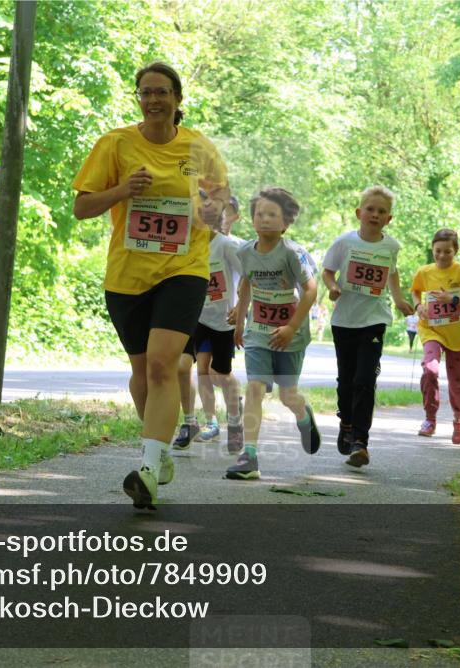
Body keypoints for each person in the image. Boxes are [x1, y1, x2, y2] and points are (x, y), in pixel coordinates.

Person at [72, 62, 228, 509]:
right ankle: (158, 455)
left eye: (162, 92)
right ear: (138, 98)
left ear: (178, 99)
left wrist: (208, 213)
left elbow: (221, 207)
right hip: (127, 276)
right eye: (145, 92)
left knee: (164, 365)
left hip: (184, 270)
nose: (154, 99)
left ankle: (148, 468)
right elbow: (82, 208)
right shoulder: (116, 143)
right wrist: (123, 190)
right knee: (142, 372)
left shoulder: (200, 147)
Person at [228, 187, 320, 480]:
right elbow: (247, 285)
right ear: (252, 218)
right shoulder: (244, 250)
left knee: (287, 395)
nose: (265, 219)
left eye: (272, 215)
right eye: (260, 214)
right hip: (258, 332)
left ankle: (304, 417)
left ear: (286, 222)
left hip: (290, 335)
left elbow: (310, 289)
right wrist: (240, 320)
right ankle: (249, 456)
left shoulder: (293, 253)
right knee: (255, 387)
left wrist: (292, 326)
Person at [322, 185, 414, 467]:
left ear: (389, 219)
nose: (375, 214)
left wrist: (398, 298)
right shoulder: (344, 242)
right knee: (346, 380)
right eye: (370, 209)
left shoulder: (391, 246)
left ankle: (361, 441)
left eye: (382, 211)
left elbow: (392, 272)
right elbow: (327, 272)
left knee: (365, 379)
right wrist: (333, 287)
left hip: (374, 320)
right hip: (344, 320)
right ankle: (346, 424)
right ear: (359, 213)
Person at [411, 228, 460, 444]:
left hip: (457, 332)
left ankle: (459, 418)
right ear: (432, 249)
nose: (442, 256)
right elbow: (415, 290)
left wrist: (453, 300)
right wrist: (418, 306)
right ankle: (430, 419)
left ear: (456, 251)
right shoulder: (424, 272)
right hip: (431, 328)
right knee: (430, 369)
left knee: (457, 377)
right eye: (438, 251)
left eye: (447, 252)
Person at [188, 190, 244, 454]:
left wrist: (242, 309)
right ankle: (211, 422)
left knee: (221, 373)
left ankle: (235, 422)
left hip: (224, 319)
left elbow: (248, 275)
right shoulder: (188, 246)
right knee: (202, 370)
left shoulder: (226, 245)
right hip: (199, 317)